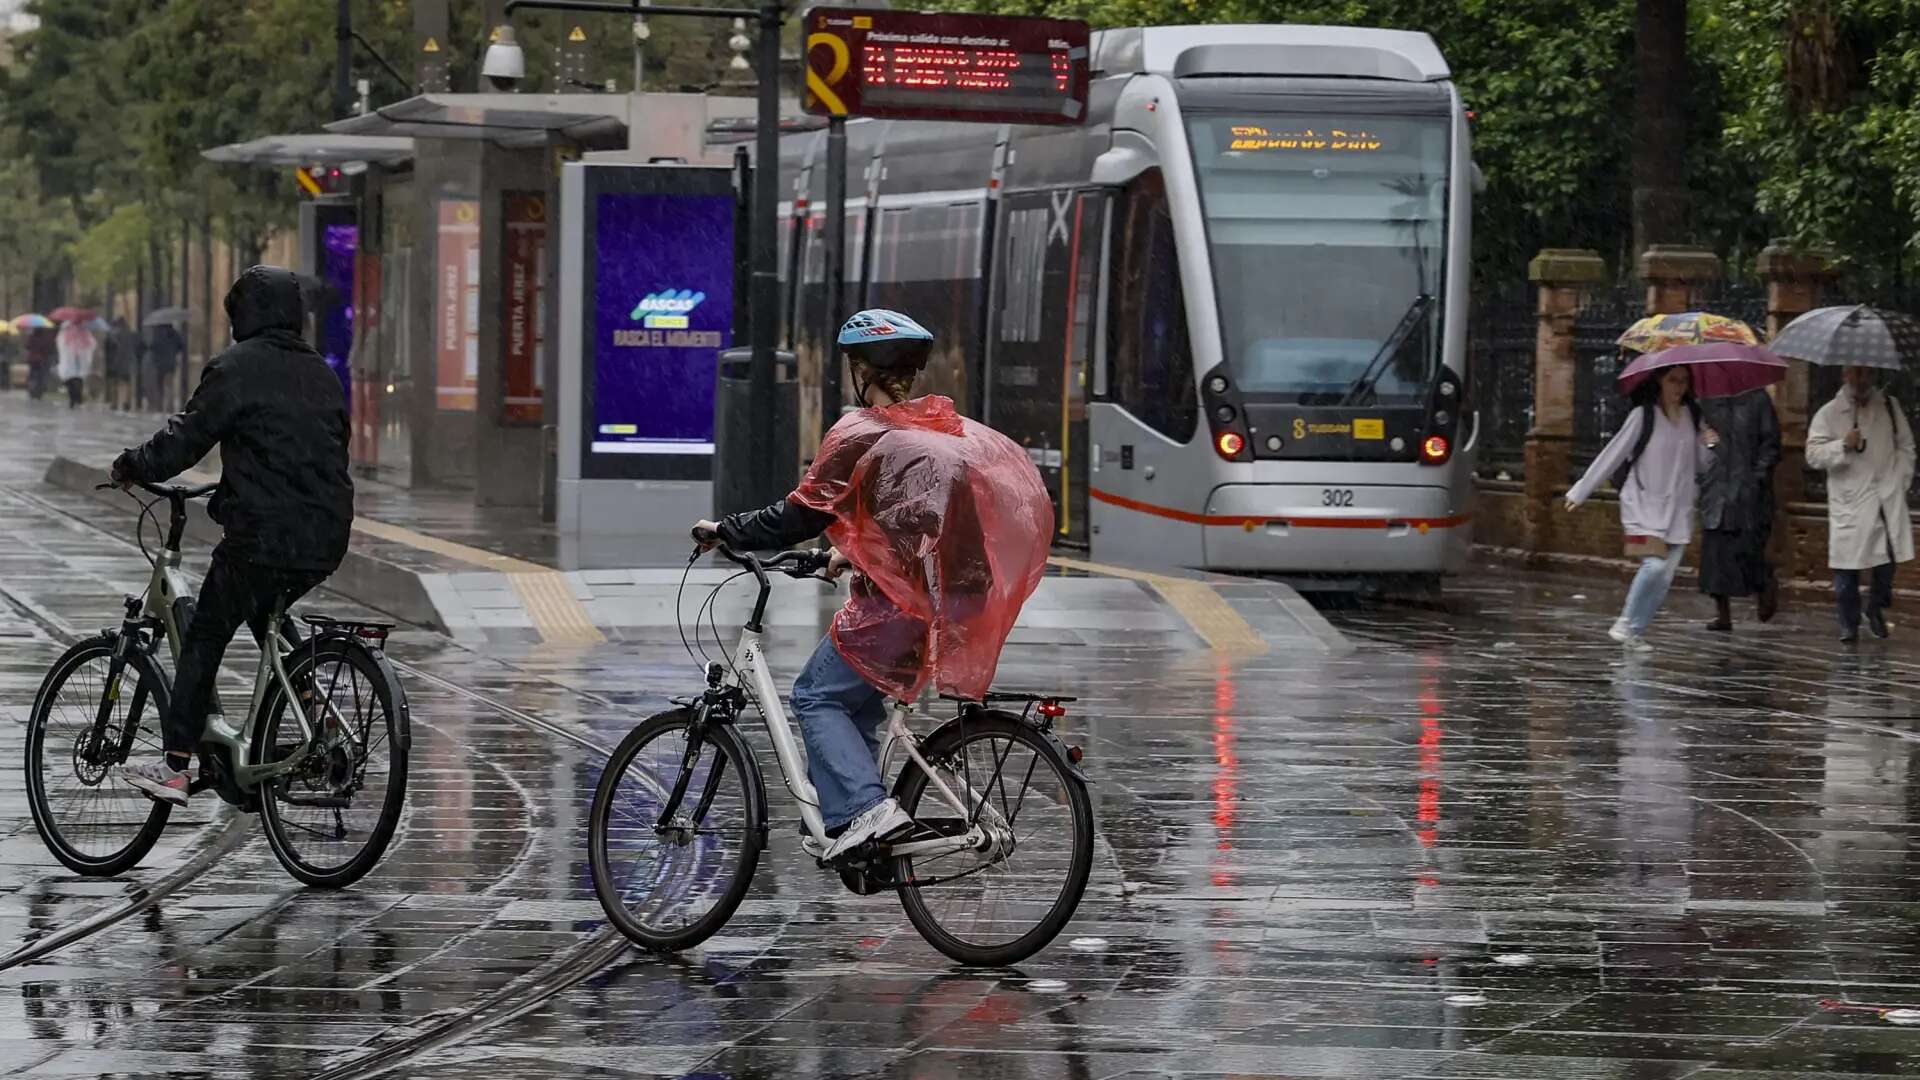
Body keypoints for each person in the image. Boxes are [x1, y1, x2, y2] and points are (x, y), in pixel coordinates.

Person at [693, 309, 1053, 863]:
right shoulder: (939, 432)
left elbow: (799, 514)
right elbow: (920, 520)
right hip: (954, 598)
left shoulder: (863, 432)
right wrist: (848, 553)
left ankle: (865, 812)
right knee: (852, 704)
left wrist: (726, 530)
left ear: (861, 370)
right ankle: (863, 831)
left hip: (901, 606)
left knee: (814, 696)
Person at [113, 266, 356, 806]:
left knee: (204, 633)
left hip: (264, 533)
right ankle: (317, 711)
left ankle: (176, 765)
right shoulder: (322, 372)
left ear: (244, 314)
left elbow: (186, 439)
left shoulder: (235, 368)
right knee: (266, 610)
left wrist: (133, 464)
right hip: (328, 532)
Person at [1566, 364, 1719, 652]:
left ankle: (1634, 632)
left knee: (1665, 578)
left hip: (1679, 509)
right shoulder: (1643, 415)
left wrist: (1708, 445)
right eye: (1673, 380)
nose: (1678, 387)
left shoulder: (1692, 417)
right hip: (1641, 506)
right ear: (1659, 381)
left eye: (1684, 381)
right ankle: (1624, 622)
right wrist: (1582, 490)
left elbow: (1701, 465)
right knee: (1654, 565)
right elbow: (1615, 452)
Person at [1806, 365, 1915, 642]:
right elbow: (1813, 454)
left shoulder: (1890, 407)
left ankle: (1876, 606)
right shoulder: (1830, 413)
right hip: (1851, 501)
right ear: (1846, 376)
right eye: (1855, 374)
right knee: (1846, 571)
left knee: (1887, 563)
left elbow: (1906, 446)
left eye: (1866, 374)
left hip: (1885, 498)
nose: (1861, 380)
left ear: (1873, 377)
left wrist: (1900, 478)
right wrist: (1842, 445)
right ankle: (1848, 624)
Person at [1697, 387, 1782, 630]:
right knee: (1715, 552)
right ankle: (1722, 613)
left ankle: (1764, 585)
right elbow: (1696, 436)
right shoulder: (1705, 399)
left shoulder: (1757, 398)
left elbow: (1771, 442)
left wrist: (1758, 477)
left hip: (1748, 487)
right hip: (1715, 487)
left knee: (1747, 547)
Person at [55, 318, 96, 409]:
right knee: (77, 379)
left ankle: (74, 399)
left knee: (72, 380)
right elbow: (91, 344)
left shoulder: (66, 332)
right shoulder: (84, 331)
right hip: (77, 359)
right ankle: (77, 398)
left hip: (73, 359)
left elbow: (60, 344)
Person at [147, 320, 183, 412]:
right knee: (169, 386)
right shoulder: (175, 334)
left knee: (160, 386)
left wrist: (156, 358)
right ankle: (170, 407)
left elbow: (152, 347)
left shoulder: (158, 334)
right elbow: (181, 346)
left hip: (159, 365)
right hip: (171, 364)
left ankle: (160, 406)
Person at [104, 316, 138, 411]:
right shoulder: (131, 334)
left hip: (115, 363)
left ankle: (114, 403)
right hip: (128, 363)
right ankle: (125, 402)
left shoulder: (112, 335)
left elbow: (108, 349)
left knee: (114, 384)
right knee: (125, 384)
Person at [24, 324, 55, 400]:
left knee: (32, 375)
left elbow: (27, 346)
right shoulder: (44, 339)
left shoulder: (31, 337)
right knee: (40, 376)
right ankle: (38, 392)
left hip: (32, 359)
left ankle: (32, 390)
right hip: (40, 359)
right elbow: (46, 349)